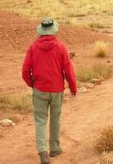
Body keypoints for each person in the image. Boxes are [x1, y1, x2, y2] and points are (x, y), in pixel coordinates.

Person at [22, 17, 77, 164]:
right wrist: (73, 87)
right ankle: (54, 148)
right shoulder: (61, 46)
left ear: (41, 30)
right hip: (57, 89)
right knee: (55, 119)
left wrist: (33, 84)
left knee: (40, 120)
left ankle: (43, 152)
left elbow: (25, 70)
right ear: (53, 30)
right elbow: (68, 70)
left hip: (40, 89)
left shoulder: (33, 47)